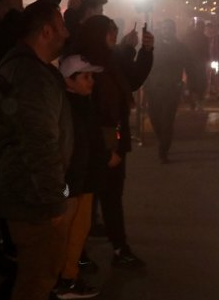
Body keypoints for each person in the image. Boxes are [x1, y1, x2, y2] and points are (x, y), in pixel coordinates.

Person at [0, 0, 72, 300]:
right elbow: (40, 145)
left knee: (37, 279)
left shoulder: (26, 66)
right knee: (37, 281)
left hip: (22, 187)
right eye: (62, 25)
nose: (67, 32)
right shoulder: (30, 74)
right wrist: (57, 201)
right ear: (45, 31)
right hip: (31, 194)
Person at [71, 15, 153, 268]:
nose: (113, 38)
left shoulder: (110, 58)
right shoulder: (84, 64)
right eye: (110, 34)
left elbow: (133, 77)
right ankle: (78, 253)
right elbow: (91, 113)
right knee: (89, 198)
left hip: (111, 140)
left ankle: (111, 247)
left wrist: (144, 51)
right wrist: (108, 150)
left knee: (107, 196)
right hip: (98, 144)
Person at [54, 54, 106, 299]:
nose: (91, 82)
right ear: (68, 80)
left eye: (92, 77)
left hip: (84, 179)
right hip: (73, 182)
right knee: (69, 230)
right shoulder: (68, 108)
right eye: (86, 77)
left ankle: (68, 275)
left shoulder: (82, 103)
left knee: (79, 229)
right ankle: (66, 279)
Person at [145, 19, 189, 164]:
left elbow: (187, 66)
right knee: (154, 118)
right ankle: (162, 139)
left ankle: (163, 150)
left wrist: (185, 86)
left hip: (171, 89)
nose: (166, 31)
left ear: (173, 30)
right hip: (154, 88)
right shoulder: (154, 47)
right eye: (164, 28)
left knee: (167, 121)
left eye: (169, 28)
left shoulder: (180, 48)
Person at [183, 20, 209, 109]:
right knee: (200, 82)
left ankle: (192, 98)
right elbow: (207, 52)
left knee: (192, 81)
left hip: (191, 63)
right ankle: (197, 98)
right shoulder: (204, 38)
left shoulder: (188, 37)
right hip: (198, 63)